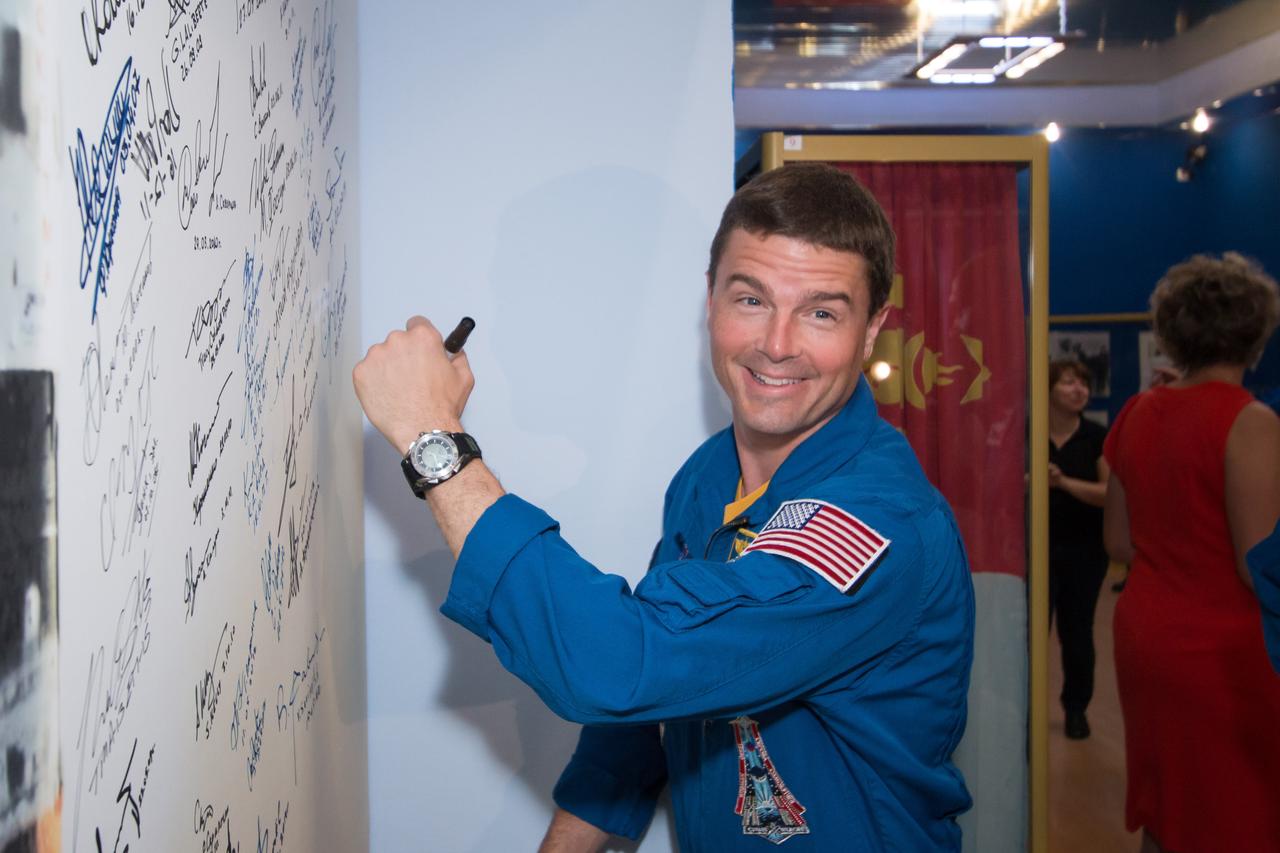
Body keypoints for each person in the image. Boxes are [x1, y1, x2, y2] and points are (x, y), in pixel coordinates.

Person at [353, 164, 975, 851]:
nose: (776, 343)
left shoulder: (874, 527)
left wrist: (434, 443)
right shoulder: (707, 477)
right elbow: (647, 715)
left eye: (821, 312)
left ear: (870, 330)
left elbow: (622, 665)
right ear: (709, 300)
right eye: (751, 299)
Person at [1102, 252, 1280, 853]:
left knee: (1173, 804)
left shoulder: (1137, 413)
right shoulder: (1251, 423)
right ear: (1255, 333)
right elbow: (1262, 569)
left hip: (1147, 635)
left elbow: (1118, 542)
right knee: (1237, 809)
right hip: (1224, 649)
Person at [1045, 359, 1110, 740]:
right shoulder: (1028, 432)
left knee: (1078, 633)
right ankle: (1028, 712)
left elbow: (1107, 494)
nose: (1078, 390)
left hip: (1085, 552)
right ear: (1049, 388)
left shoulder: (1097, 436)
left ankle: (1075, 708)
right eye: (1069, 382)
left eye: (1083, 383)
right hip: (1036, 551)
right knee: (1034, 633)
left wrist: (1063, 483)